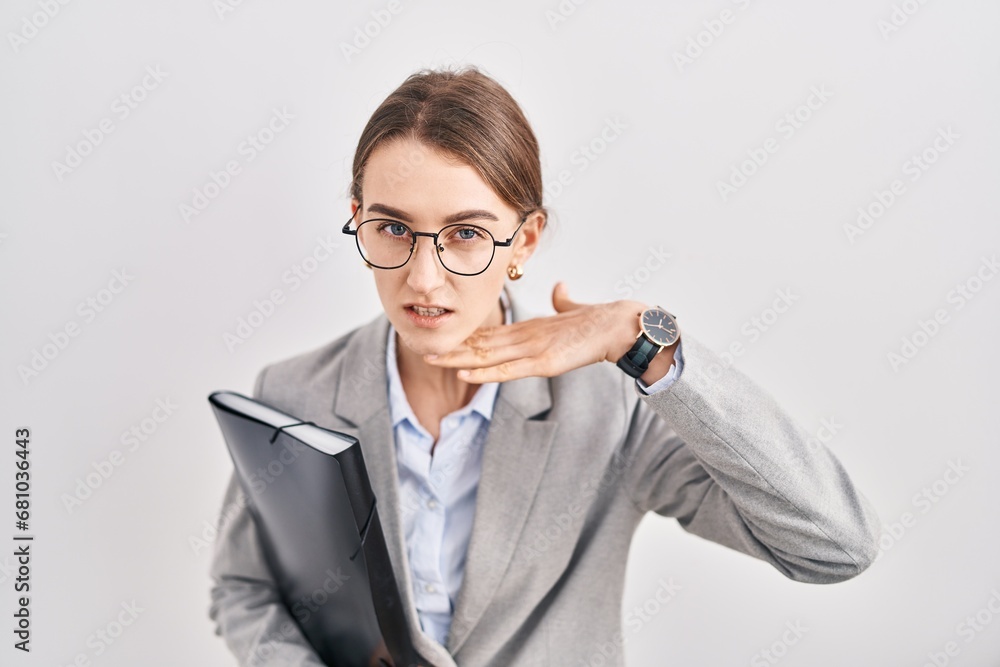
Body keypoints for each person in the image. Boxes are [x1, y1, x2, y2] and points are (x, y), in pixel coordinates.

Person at [207, 65, 882, 667]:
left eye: (466, 234)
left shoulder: (608, 406)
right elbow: (245, 587)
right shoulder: (294, 392)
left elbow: (833, 544)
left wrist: (645, 346)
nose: (424, 279)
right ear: (357, 219)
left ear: (523, 241)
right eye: (393, 228)